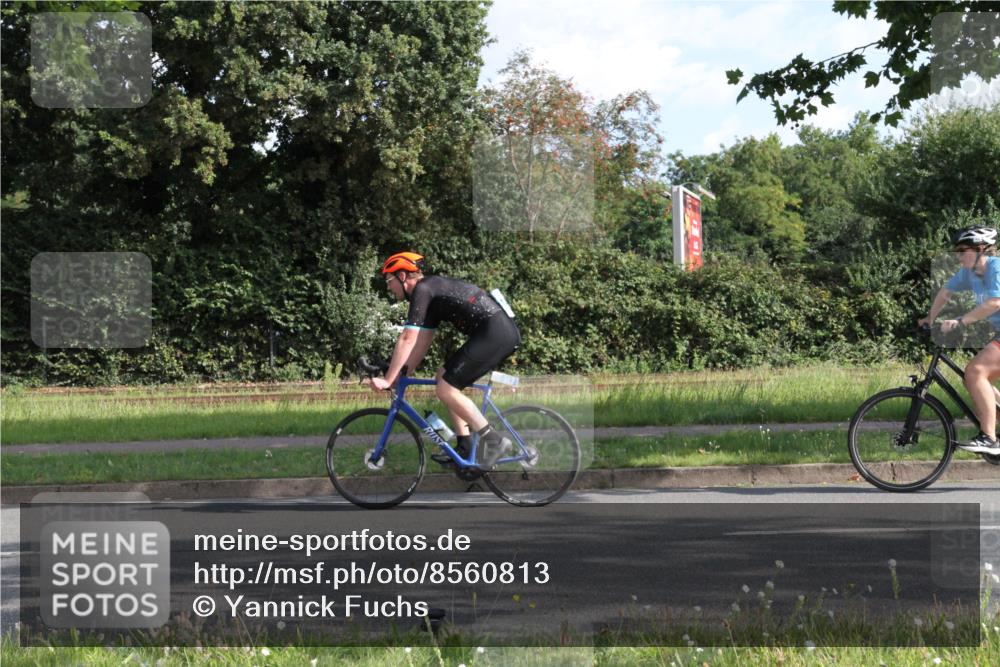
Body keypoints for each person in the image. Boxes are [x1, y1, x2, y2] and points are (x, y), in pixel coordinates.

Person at [371, 251, 522, 468]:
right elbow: (421, 342)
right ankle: (465, 446)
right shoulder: (429, 293)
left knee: (446, 389)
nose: (388, 287)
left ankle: (494, 441)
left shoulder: (423, 289)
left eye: (389, 280)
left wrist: (387, 379)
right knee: (443, 375)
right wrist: (403, 373)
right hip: (493, 332)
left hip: (496, 333)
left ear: (403, 276)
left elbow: (407, 338)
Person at [918, 226, 1000, 454]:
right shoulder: (969, 272)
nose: (959, 255)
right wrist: (929, 318)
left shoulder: (996, 267)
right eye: (957, 250)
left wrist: (961, 321)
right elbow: (945, 292)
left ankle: (989, 438)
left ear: (981, 249)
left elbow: (995, 302)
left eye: (963, 250)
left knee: (975, 372)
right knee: (974, 379)